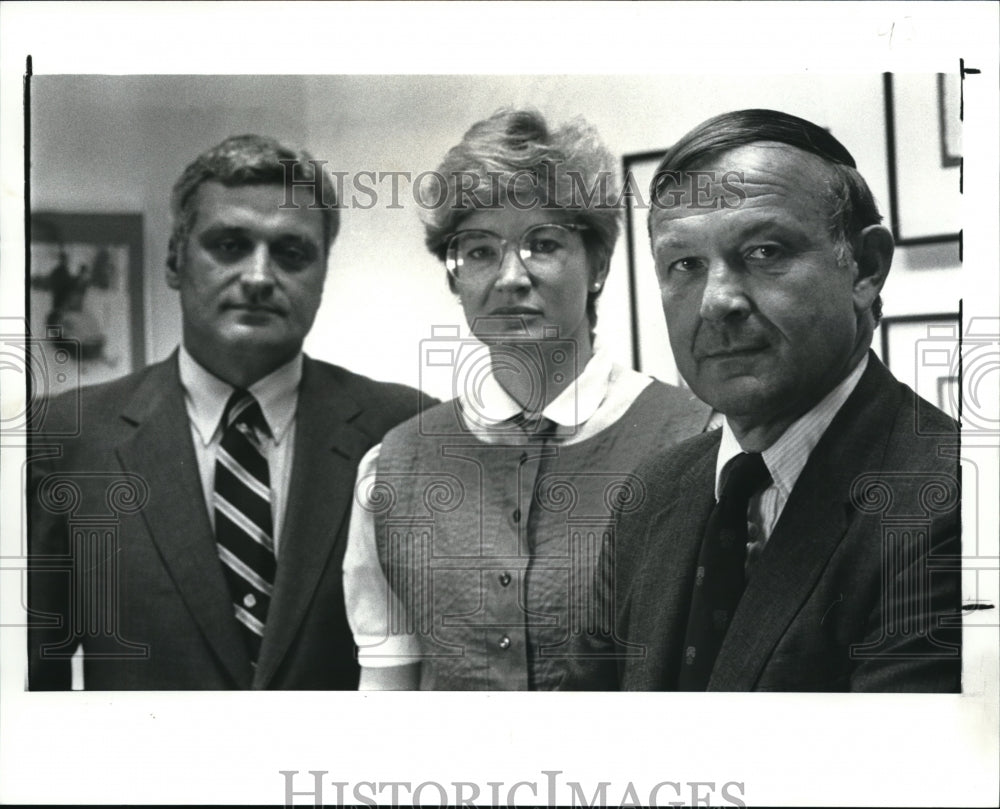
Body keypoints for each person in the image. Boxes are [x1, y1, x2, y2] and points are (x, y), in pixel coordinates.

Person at [571, 109, 961, 692]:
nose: (715, 301)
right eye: (686, 265)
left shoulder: (959, 504)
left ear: (866, 268)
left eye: (764, 252)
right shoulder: (650, 496)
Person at [28, 134, 432, 689]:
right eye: (230, 245)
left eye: (291, 253)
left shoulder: (404, 431)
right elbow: (25, 681)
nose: (261, 276)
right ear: (175, 259)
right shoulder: (64, 440)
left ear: (321, 276)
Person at [343, 109, 713, 690]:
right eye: (481, 251)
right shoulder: (391, 469)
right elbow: (387, 692)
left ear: (598, 265)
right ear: (454, 276)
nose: (510, 276)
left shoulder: (699, 442)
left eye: (542, 243)